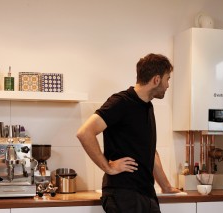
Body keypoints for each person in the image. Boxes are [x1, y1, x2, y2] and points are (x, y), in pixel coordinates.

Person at [76, 53, 181, 213]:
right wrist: (108, 167)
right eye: (168, 79)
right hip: (124, 194)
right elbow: (85, 133)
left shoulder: (147, 106)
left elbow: (150, 151)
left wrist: (166, 186)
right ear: (156, 80)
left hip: (145, 194)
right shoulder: (121, 102)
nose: (168, 85)